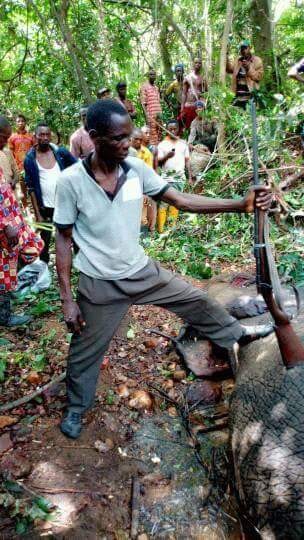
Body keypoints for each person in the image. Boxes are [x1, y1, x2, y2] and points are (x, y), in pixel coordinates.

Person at [54, 99, 273, 439]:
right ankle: (76, 409)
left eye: (129, 135)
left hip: (142, 273)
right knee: (85, 351)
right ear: (94, 137)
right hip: (99, 283)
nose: (127, 143)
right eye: (117, 138)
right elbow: (64, 239)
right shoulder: (70, 182)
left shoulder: (135, 169)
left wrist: (239, 205)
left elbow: (181, 201)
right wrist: (67, 299)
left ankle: (236, 334)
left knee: (195, 301)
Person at [24, 123, 76, 264]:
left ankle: (79, 265)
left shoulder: (60, 153)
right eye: (41, 135)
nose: (45, 138)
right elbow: (31, 188)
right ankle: (44, 268)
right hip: (45, 207)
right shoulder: (30, 159)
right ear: (35, 137)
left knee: (73, 236)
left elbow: (77, 167)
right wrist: (37, 214)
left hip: (65, 205)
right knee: (44, 240)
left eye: (47, 134)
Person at [0, 168, 44, 326]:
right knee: (3, 273)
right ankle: (4, 317)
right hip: (5, 230)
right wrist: (4, 225)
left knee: (7, 270)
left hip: (10, 229)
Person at [157, 119, 192, 232]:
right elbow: (158, 162)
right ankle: (161, 231)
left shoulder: (183, 143)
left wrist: (190, 177)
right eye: (170, 129)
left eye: (174, 129)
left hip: (179, 178)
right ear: (167, 129)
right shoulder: (162, 145)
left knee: (175, 203)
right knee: (163, 204)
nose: (172, 131)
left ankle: (170, 231)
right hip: (165, 178)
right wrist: (167, 156)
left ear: (178, 130)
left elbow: (187, 161)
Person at [130, 128, 156, 234]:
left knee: (145, 212)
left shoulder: (146, 153)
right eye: (136, 139)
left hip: (141, 187)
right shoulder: (124, 151)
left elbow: (147, 174)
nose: (138, 142)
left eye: (140, 140)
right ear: (130, 139)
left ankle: (148, 233)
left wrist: (144, 191)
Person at [226, 40, 264, 110]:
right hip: (237, 98)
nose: (243, 50)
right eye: (241, 49)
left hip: (250, 98)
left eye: (245, 48)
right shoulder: (238, 60)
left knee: (250, 118)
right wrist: (226, 56)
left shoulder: (257, 61)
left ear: (250, 48)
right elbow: (229, 69)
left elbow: (258, 77)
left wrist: (249, 68)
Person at [8, 114, 34, 208]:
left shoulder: (31, 136)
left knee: (32, 187)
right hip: (19, 168)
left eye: (22, 121)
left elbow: (35, 151)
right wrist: (13, 168)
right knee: (22, 189)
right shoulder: (12, 137)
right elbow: (10, 154)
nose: (20, 123)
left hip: (31, 166)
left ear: (25, 122)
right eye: (18, 121)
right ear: (16, 123)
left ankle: (35, 207)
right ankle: (26, 208)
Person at [181, 58, 208, 129]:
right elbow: (184, 93)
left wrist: (204, 104)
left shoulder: (203, 78)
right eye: (196, 63)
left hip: (198, 107)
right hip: (189, 105)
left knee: (199, 127)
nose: (197, 64)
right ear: (193, 64)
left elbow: (205, 93)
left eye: (199, 63)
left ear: (201, 65)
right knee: (189, 126)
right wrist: (182, 107)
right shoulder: (187, 77)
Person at [140, 68, 162, 145]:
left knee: (159, 132)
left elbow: (158, 101)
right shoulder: (144, 86)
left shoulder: (156, 88)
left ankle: (159, 152)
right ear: (148, 76)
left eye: (154, 75)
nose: (152, 76)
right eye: (150, 74)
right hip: (150, 115)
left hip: (159, 115)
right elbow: (143, 103)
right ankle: (153, 153)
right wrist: (146, 117)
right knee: (152, 134)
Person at [0, 116, 19, 189]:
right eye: (4, 137)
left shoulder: (7, 152)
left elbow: (16, 171)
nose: (6, 142)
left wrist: (14, 180)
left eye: (7, 138)